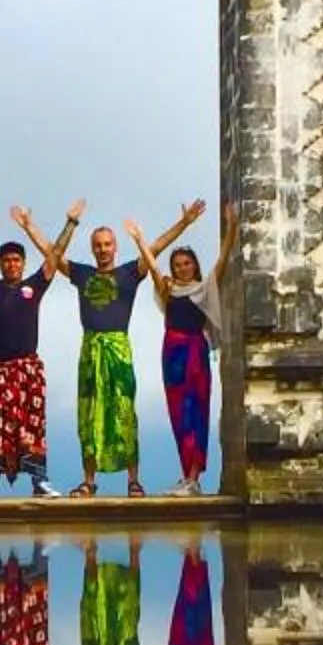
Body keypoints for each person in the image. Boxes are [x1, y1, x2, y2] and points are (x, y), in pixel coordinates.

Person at [64, 199, 205, 496]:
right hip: (90, 350)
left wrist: (184, 224)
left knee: (125, 412)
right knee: (88, 414)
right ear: (93, 249)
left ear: (115, 247)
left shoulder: (129, 273)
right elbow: (51, 258)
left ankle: (133, 481)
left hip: (119, 348)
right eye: (98, 245)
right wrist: (64, 224)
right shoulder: (82, 274)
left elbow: (154, 249)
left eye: (107, 244)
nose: (103, 249)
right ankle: (89, 482)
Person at [127, 202, 235, 492]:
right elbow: (151, 266)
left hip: (195, 353)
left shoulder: (205, 287)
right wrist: (139, 240)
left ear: (195, 265)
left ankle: (195, 476)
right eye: (177, 265)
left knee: (196, 411)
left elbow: (223, 261)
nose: (182, 267)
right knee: (177, 413)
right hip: (171, 352)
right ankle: (186, 474)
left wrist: (232, 228)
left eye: (186, 263)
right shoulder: (169, 288)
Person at [0, 208, 74, 496]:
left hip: (27, 369)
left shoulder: (34, 285)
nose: (11, 265)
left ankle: (39, 481)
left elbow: (54, 256)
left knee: (32, 427)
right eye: (6, 260)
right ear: (0, 263)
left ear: (23, 263)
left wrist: (70, 222)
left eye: (16, 260)